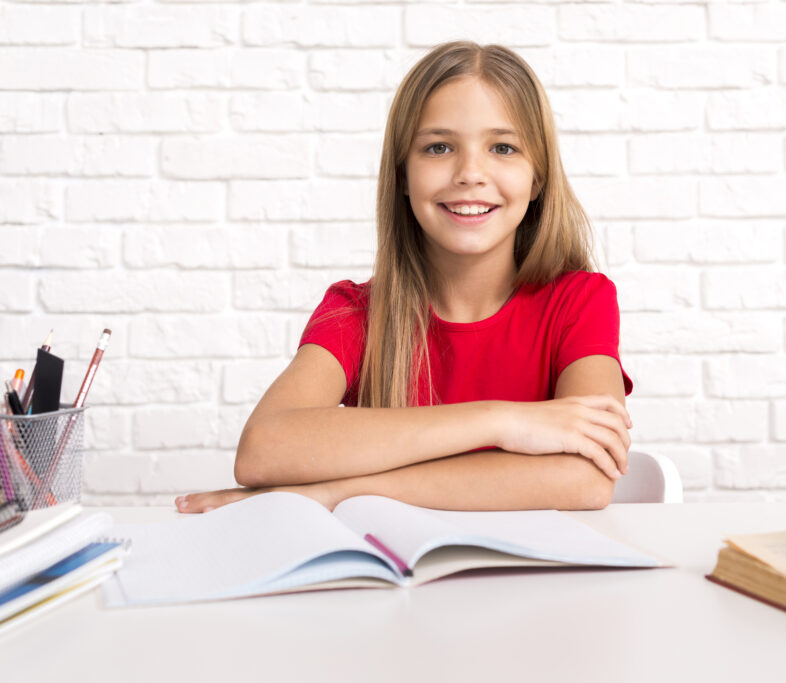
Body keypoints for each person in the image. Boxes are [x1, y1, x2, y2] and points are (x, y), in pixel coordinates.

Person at [175, 40, 634, 515]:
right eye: (438, 147)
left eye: (503, 147)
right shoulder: (356, 313)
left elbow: (585, 479)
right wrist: (504, 421)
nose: (470, 173)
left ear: (537, 178)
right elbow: (263, 450)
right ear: (403, 174)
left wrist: (336, 492)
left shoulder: (580, 300)